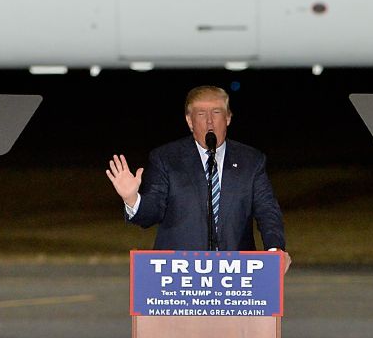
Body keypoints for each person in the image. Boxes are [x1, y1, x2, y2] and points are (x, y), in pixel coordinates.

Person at [106, 85, 286, 251]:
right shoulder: (166, 159)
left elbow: (267, 210)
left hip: (235, 270)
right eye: (201, 114)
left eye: (216, 112)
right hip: (180, 271)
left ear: (228, 118)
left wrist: (275, 249)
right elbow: (150, 214)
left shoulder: (251, 161)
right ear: (189, 121)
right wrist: (132, 199)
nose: (209, 122)